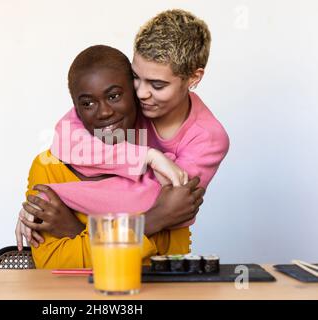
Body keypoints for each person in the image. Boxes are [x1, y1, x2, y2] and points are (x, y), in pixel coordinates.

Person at [19, 9, 229, 249]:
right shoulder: (123, 99)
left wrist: (54, 199)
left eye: (157, 84)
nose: (141, 93)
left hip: (162, 258)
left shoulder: (208, 138)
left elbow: (153, 203)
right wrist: (147, 157)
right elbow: (67, 141)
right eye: (136, 77)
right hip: (124, 243)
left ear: (193, 78)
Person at [15, 45, 205, 268]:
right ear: (76, 109)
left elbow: (166, 264)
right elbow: (52, 263)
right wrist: (152, 221)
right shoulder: (48, 167)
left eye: (114, 96)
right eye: (87, 103)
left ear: (136, 94)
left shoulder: (164, 169)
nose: (104, 112)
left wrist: (75, 231)